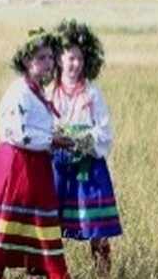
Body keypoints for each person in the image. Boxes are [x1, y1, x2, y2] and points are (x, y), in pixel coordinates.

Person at [0, 28, 74, 279]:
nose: (48, 63)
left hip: (33, 166)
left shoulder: (36, 91)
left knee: (35, 240)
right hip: (16, 168)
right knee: (3, 239)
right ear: (27, 61)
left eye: (50, 57)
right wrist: (51, 139)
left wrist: (53, 139)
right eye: (42, 58)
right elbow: (17, 133)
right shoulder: (19, 92)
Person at [49, 20, 122, 277]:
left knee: (97, 228)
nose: (75, 64)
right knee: (49, 227)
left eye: (80, 58)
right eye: (70, 58)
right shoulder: (49, 92)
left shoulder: (92, 94)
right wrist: (56, 138)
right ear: (59, 59)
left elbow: (104, 132)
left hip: (88, 166)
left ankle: (102, 273)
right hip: (56, 165)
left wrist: (80, 140)